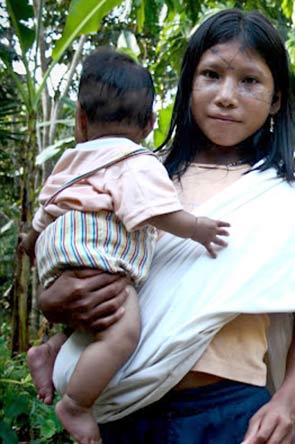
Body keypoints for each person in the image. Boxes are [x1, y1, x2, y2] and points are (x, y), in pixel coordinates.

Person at [37, 8, 295, 444]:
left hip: (229, 412)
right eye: (211, 75)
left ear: (276, 99)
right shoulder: (135, 174)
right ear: (188, 84)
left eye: (249, 81)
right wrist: (54, 301)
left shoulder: (290, 199)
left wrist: (287, 402)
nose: (227, 96)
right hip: (121, 406)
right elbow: (80, 254)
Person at [18, 49, 230, 444]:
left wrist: (31, 247)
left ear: (81, 119)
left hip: (57, 250)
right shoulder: (137, 160)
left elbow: (45, 213)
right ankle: (76, 404)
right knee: (123, 331)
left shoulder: (71, 160)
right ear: (149, 124)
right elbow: (158, 212)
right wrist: (197, 228)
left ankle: (51, 349)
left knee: (93, 318)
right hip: (98, 250)